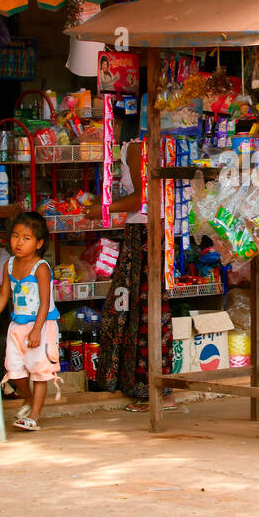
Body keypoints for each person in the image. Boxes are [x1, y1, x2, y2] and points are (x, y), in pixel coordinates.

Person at [87, 118, 173, 410]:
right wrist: (102, 202)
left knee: (138, 308)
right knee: (142, 307)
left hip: (145, 232)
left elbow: (142, 197)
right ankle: (150, 386)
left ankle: (151, 389)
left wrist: (103, 208)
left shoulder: (137, 146)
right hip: (151, 230)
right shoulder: (146, 144)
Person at [0, 212, 62, 430]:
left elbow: (45, 302)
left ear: (39, 243)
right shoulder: (9, 264)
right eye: (15, 236)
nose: (19, 242)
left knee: (40, 371)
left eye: (26, 238)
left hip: (42, 327)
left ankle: (34, 415)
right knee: (14, 369)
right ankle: (28, 397)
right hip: (17, 325)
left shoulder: (41, 267)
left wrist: (36, 330)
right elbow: (4, 295)